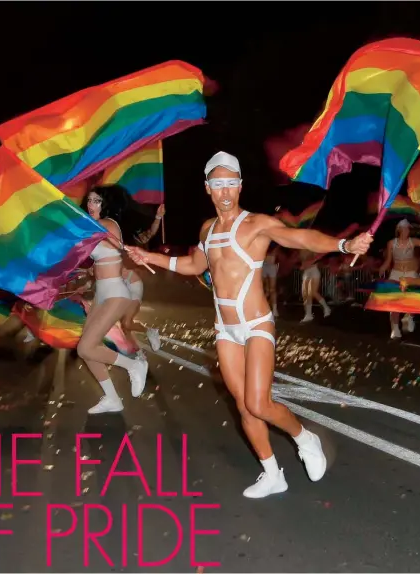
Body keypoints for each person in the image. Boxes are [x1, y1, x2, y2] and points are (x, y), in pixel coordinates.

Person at [127, 152, 373, 499]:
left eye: (231, 183)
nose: (225, 191)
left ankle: (305, 438)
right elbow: (194, 265)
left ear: (240, 186)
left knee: (259, 403)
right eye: (218, 184)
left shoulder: (257, 224)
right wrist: (149, 256)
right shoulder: (207, 230)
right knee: (243, 406)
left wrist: (344, 244)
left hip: (256, 324)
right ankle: (273, 474)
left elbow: (299, 239)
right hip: (225, 330)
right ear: (207, 188)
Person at [77, 186, 149, 415]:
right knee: (85, 350)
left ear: (106, 205)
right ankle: (112, 398)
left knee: (86, 346)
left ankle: (134, 365)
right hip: (102, 293)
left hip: (116, 293)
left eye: (97, 201)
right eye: (89, 200)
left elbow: (84, 237)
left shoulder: (107, 224)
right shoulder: (96, 226)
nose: (91, 205)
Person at [120, 203, 165, 352]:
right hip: (116, 287)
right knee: (125, 326)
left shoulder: (130, 237)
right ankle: (137, 355)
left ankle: (150, 331)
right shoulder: (107, 239)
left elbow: (150, 233)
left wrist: (158, 217)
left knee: (126, 323)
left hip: (132, 283)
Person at [299, 253, 331, 322]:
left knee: (313, 292)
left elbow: (318, 258)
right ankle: (308, 314)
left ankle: (326, 308)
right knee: (305, 294)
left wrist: (307, 264)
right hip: (306, 272)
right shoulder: (302, 250)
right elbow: (303, 264)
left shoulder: (313, 249)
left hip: (313, 271)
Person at [263, 244, 280, 317]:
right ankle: (264, 308)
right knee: (263, 288)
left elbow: (274, 252)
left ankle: (275, 310)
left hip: (272, 266)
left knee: (272, 289)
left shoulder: (275, 244)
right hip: (263, 264)